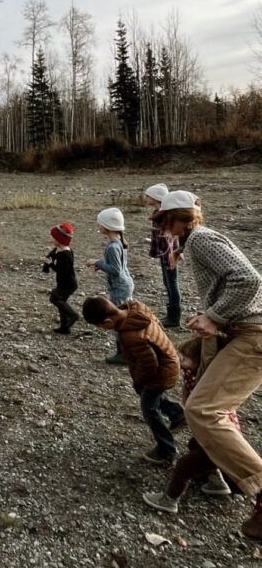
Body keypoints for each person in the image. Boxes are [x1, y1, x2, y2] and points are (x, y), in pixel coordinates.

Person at [149, 189, 262, 540]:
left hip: (252, 334)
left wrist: (213, 316)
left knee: (203, 410)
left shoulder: (199, 238)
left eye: (162, 220)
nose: (161, 228)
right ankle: (217, 476)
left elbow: (249, 280)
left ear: (176, 218)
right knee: (211, 409)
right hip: (244, 332)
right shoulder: (198, 240)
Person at [82, 295, 184, 465]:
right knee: (146, 394)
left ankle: (167, 450)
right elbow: (127, 304)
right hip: (168, 360)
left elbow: (149, 366)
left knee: (149, 408)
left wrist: (138, 379)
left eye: (101, 326)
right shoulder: (136, 308)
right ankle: (177, 413)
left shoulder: (132, 337)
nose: (103, 329)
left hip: (162, 372)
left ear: (107, 322)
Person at [142, 336, 235, 513]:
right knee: (195, 446)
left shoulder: (208, 382)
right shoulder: (200, 378)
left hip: (218, 437)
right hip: (214, 436)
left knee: (183, 466)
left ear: (200, 362)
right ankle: (217, 482)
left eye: (185, 359)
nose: (181, 363)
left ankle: (169, 500)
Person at [86, 207, 134, 364]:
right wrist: (102, 265)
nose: (98, 226)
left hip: (119, 287)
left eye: (99, 224)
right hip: (125, 284)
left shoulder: (113, 246)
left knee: (118, 318)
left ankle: (123, 353)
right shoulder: (119, 242)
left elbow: (116, 270)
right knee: (125, 316)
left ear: (107, 227)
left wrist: (98, 262)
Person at [144, 183, 183, 328]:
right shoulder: (160, 213)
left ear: (156, 197)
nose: (146, 198)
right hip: (165, 253)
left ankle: (174, 317)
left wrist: (170, 255)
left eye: (148, 196)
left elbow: (168, 238)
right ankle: (172, 313)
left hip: (168, 254)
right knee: (168, 282)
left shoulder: (163, 215)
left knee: (172, 283)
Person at [41, 221, 79, 334]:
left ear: (59, 239)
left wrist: (51, 264)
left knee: (55, 298)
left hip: (67, 284)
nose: (51, 239)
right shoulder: (62, 251)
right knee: (62, 304)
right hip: (65, 283)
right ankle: (65, 327)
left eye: (53, 237)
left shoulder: (65, 255)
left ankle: (73, 315)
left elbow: (62, 271)